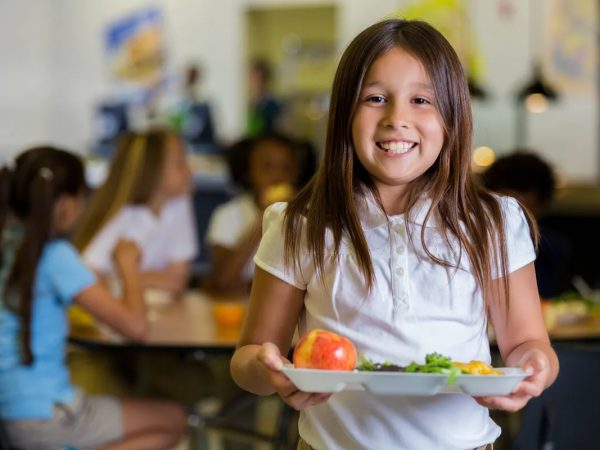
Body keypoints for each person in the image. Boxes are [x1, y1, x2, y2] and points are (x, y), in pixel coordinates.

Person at [230, 19, 559, 450]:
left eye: (421, 99)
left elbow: (529, 344)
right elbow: (248, 357)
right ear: (344, 112)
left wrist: (534, 368)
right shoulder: (301, 223)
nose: (396, 119)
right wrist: (269, 371)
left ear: (452, 117)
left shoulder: (493, 223)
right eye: (375, 98)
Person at [0, 147, 187, 450]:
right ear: (65, 204)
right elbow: (136, 328)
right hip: (48, 415)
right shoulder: (55, 256)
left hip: (13, 412)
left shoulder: (10, 245)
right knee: (173, 419)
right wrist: (128, 266)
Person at [73, 128, 198, 296]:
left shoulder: (178, 204)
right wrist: (147, 278)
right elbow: (86, 280)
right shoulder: (123, 216)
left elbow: (177, 281)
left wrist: (122, 278)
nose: (190, 170)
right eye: (180, 163)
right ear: (153, 171)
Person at [205, 133, 303, 294]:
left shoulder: (306, 218)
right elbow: (222, 280)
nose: (277, 176)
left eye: (286, 168)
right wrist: (263, 218)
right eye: (267, 166)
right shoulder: (227, 215)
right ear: (249, 171)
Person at [481, 151, 572, 299]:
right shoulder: (472, 247)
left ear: (543, 205)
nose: (513, 219)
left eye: (523, 211)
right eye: (505, 208)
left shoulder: (554, 250)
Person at [246, 58, 284, 137]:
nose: (256, 82)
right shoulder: (252, 102)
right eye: (253, 78)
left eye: (259, 79)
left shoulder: (273, 104)